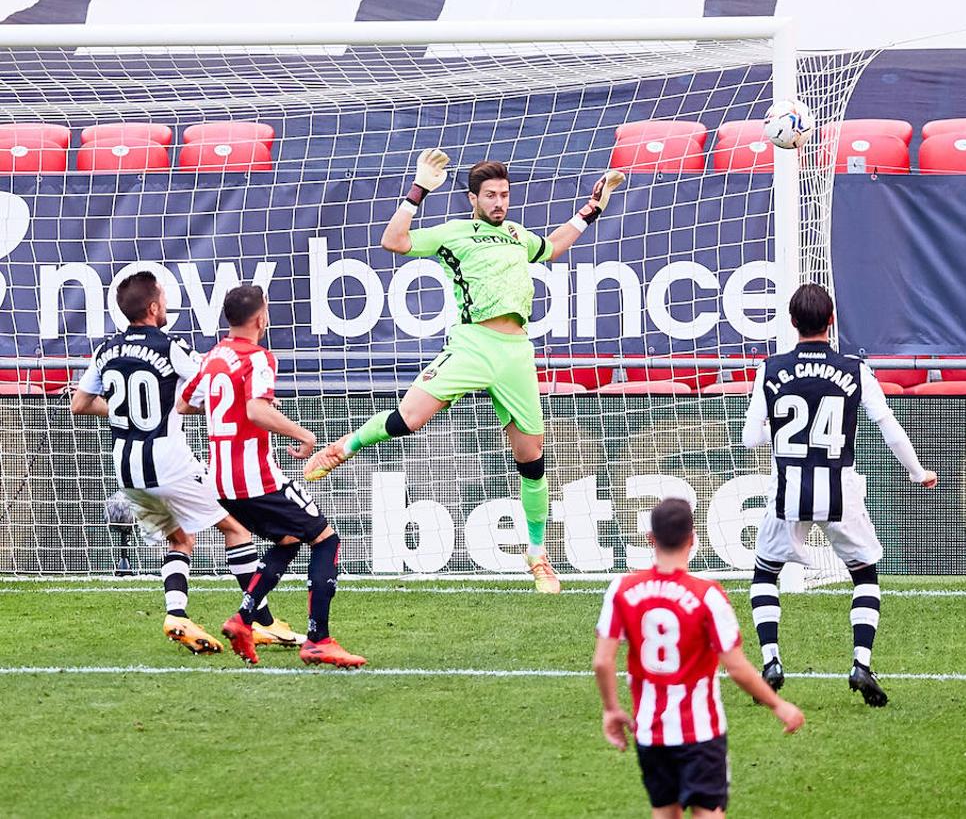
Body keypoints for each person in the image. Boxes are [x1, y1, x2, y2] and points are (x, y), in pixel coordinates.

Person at [303, 149, 625, 594]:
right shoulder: (456, 232)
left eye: (504, 195)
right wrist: (419, 190)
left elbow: (552, 246)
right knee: (407, 419)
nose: (499, 202)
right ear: (473, 198)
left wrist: (594, 207)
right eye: (490, 195)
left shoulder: (515, 233)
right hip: (473, 345)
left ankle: (537, 554)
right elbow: (393, 242)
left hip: (515, 352)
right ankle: (343, 447)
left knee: (532, 459)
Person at [70, 271, 303, 653]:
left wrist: (125, 410)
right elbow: (209, 388)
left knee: (179, 538)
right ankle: (262, 623)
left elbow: (79, 404)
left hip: (126, 465)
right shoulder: (170, 345)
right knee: (237, 529)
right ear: (154, 307)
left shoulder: (105, 350)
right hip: (167, 459)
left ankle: (176, 614)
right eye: (163, 299)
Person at [740, 283, 938, 707]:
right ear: (831, 321)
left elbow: (749, 439)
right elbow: (887, 424)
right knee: (864, 574)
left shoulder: (770, 369)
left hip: (788, 487)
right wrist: (917, 471)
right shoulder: (854, 369)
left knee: (765, 573)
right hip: (840, 485)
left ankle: (772, 661)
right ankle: (860, 663)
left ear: (792, 323)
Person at [180, 284, 363, 668]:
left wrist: (233, 407)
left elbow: (184, 404)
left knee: (291, 537)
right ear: (261, 317)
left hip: (221, 481)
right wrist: (304, 434)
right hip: (255, 478)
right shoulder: (259, 357)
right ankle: (318, 639)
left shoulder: (214, 356)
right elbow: (255, 411)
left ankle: (244, 619)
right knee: (327, 540)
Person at [593, 498, 804, 818]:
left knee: (664, 813)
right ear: (693, 539)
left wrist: (611, 709)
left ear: (650, 539)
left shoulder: (621, 589)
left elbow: (602, 661)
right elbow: (736, 667)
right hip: (700, 732)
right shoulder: (707, 595)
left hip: (651, 731)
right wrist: (778, 705)